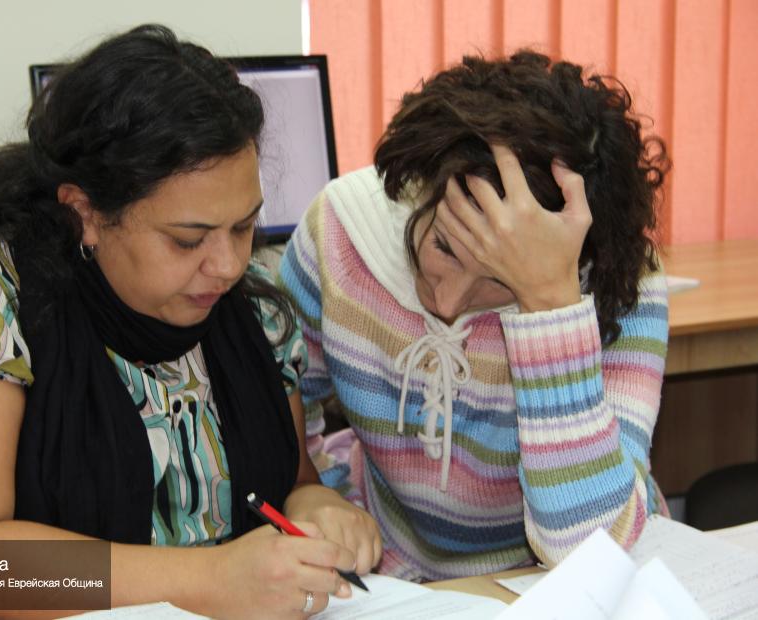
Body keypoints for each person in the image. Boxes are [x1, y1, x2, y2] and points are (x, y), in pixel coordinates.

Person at [0, 24, 380, 618]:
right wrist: (208, 579)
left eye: (244, 227)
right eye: (187, 239)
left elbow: (289, 483)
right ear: (85, 213)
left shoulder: (250, 316)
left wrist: (315, 507)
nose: (227, 265)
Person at [278, 50, 671, 582]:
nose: (446, 303)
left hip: (555, 581)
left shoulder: (621, 283)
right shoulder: (340, 232)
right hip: (394, 576)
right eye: (443, 246)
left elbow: (588, 554)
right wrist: (324, 497)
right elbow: (280, 404)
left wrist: (548, 304)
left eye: (501, 280)